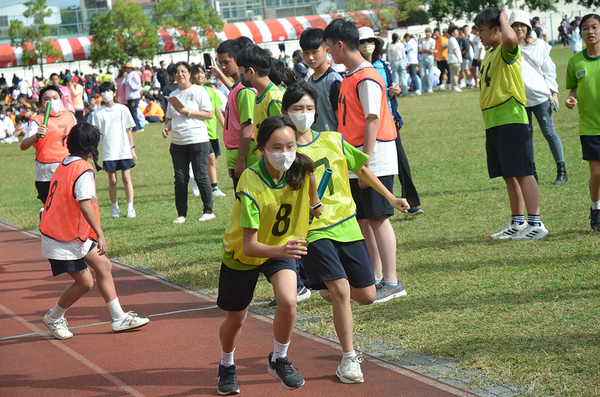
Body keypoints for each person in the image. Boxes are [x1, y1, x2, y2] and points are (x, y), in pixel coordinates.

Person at [281, 80, 409, 383]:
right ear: (286, 111)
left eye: (309, 107)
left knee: (365, 296)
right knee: (340, 291)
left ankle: (323, 286)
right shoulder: (283, 151)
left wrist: (391, 197)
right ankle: (349, 359)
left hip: (348, 227)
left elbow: (361, 169)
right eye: (297, 108)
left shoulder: (333, 140)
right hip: (313, 231)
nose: (304, 113)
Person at [216, 116, 320, 395]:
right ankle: (226, 364)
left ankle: (279, 358)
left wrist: (315, 203)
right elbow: (250, 246)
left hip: (281, 247)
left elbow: (309, 173)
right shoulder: (250, 182)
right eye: (277, 147)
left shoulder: (300, 165)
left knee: (288, 301)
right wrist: (282, 250)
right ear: (261, 148)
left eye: (291, 146)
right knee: (236, 317)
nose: (285, 153)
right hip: (244, 252)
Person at [38, 123, 149, 340]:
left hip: (70, 232)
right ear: (92, 147)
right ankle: (53, 317)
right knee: (85, 282)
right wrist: (100, 234)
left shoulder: (65, 162)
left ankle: (118, 317)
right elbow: (85, 204)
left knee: (103, 265)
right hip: (62, 236)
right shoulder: (83, 169)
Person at [324, 18, 408, 302]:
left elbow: (373, 119)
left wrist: (366, 162)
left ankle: (392, 280)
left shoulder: (367, 75)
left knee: (379, 217)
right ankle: (375, 276)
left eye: (328, 48)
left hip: (373, 156)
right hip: (356, 155)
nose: (328, 54)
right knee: (364, 218)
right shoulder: (350, 75)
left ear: (339, 45)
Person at [475, 7, 548, 240]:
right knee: (509, 173)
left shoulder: (508, 49)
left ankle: (536, 224)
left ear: (497, 29)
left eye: (482, 30)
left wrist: (504, 19)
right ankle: (518, 222)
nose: (478, 34)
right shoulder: (490, 52)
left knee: (523, 172)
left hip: (511, 118)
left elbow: (510, 37)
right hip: (493, 121)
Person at [510, 10, 568, 185]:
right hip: (519, 100)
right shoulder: (507, 48)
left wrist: (554, 95)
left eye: (522, 25)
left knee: (549, 133)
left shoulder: (540, 45)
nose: (519, 28)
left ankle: (562, 171)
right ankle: (531, 173)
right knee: (525, 137)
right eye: (515, 25)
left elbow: (549, 71)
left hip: (541, 97)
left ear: (528, 27)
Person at [162, 61, 214, 224]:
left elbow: (209, 114)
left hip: (197, 140)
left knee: (200, 175)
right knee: (180, 179)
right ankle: (182, 214)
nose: (180, 74)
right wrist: (167, 128)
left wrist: (188, 112)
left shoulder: (199, 91)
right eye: (177, 72)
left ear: (189, 73)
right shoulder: (173, 95)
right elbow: (171, 118)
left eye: (183, 71)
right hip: (177, 142)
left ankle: (208, 211)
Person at [565, 13, 600, 230]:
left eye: (595, 27)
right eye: (586, 28)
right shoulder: (575, 61)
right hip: (589, 125)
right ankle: (596, 208)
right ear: (581, 34)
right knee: (597, 173)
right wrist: (571, 98)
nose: (591, 31)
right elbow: (574, 87)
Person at [212, 37, 258, 191]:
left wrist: (240, 160)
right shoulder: (236, 87)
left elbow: (247, 125)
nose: (222, 66)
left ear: (238, 61)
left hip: (245, 153)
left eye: (226, 62)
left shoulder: (245, 90)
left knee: (247, 201)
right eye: (220, 63)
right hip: (235, 152)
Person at [20, 85, 77, 205]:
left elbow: (79, 139)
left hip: (68, 166)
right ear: (41, 104)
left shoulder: (70, 116)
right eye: (47, 99)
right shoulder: (38, 120)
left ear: (60, 100)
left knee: (68, 203)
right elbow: (23, 145)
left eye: (55, 98)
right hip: (46, 170)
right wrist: (36, 135)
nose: (52, 101)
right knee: (50, 205)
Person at [92, 82, 138, 219]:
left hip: (123, 149)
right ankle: (115, 207)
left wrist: (132, 149)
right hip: (109, 150)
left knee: (126, 178)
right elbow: (96, 135)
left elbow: (128, 130)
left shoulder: (122, 109)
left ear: (114, 93)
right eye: (103, 91)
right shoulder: (98, 113)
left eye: (109, 90)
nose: (106, 93)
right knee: (112, 180)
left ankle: (130, 207)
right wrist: (94, 152)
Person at [191, 64, 226, 198]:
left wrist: (225, 128)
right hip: (200, 132)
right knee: (210, 159)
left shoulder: (211, 91)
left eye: (201, 73)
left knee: (213, 161)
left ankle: (205, 183)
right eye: (196, 73)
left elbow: (217, 111)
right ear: (191, 76)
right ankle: (214, 188)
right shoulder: (191, 91)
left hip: (213, 132)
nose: (199, 75)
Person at [300, 28, 343, 132]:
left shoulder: (334, 80)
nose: (310, 57)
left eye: (315, 52)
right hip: (316, 142)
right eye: (306, 53)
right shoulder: (310, 81)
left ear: (326, 51)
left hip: (332, 142)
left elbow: (341, 119)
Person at [237, 45, 284, 132]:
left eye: (241, 71)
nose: (240, 76)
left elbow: (282, 133)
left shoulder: (274, 98)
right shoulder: (259, 96)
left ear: (251, 71)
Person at [120, 62, 143, 132]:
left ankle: (136, 127)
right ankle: (137, 126)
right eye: (126, 68)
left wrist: (132, 86)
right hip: (129, 97)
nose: (127, 69)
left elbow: (138, 85)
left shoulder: (134, 74)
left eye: (128, 68)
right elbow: (122, 84)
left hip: (134, 96)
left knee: (133, 111)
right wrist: (123, 77)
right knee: (131, 112)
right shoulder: (127, 75)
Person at [419, 28, 437, 93]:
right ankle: (424, 88)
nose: (427, 33)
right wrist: (427, 50)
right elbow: (419, 50)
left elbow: (432, 51)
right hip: (423, 59)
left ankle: (430, 87)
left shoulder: (432, 40)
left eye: (428, 32)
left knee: (430, 74)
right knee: (422, 74)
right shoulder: (422, 40)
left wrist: (424, 50)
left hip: (430, 59)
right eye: (426, 32)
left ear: (430, 33)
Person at [447, 26, 463, 92]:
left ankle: (454, 86)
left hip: (454, 60)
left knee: (455, 73)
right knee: (455, 73)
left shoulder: (452, 39)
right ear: (452, 33)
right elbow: (454, 50)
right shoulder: (452, 39)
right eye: (456, 31)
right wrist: (458, 58)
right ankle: (454, 87)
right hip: (454, 60)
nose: (457, 32)